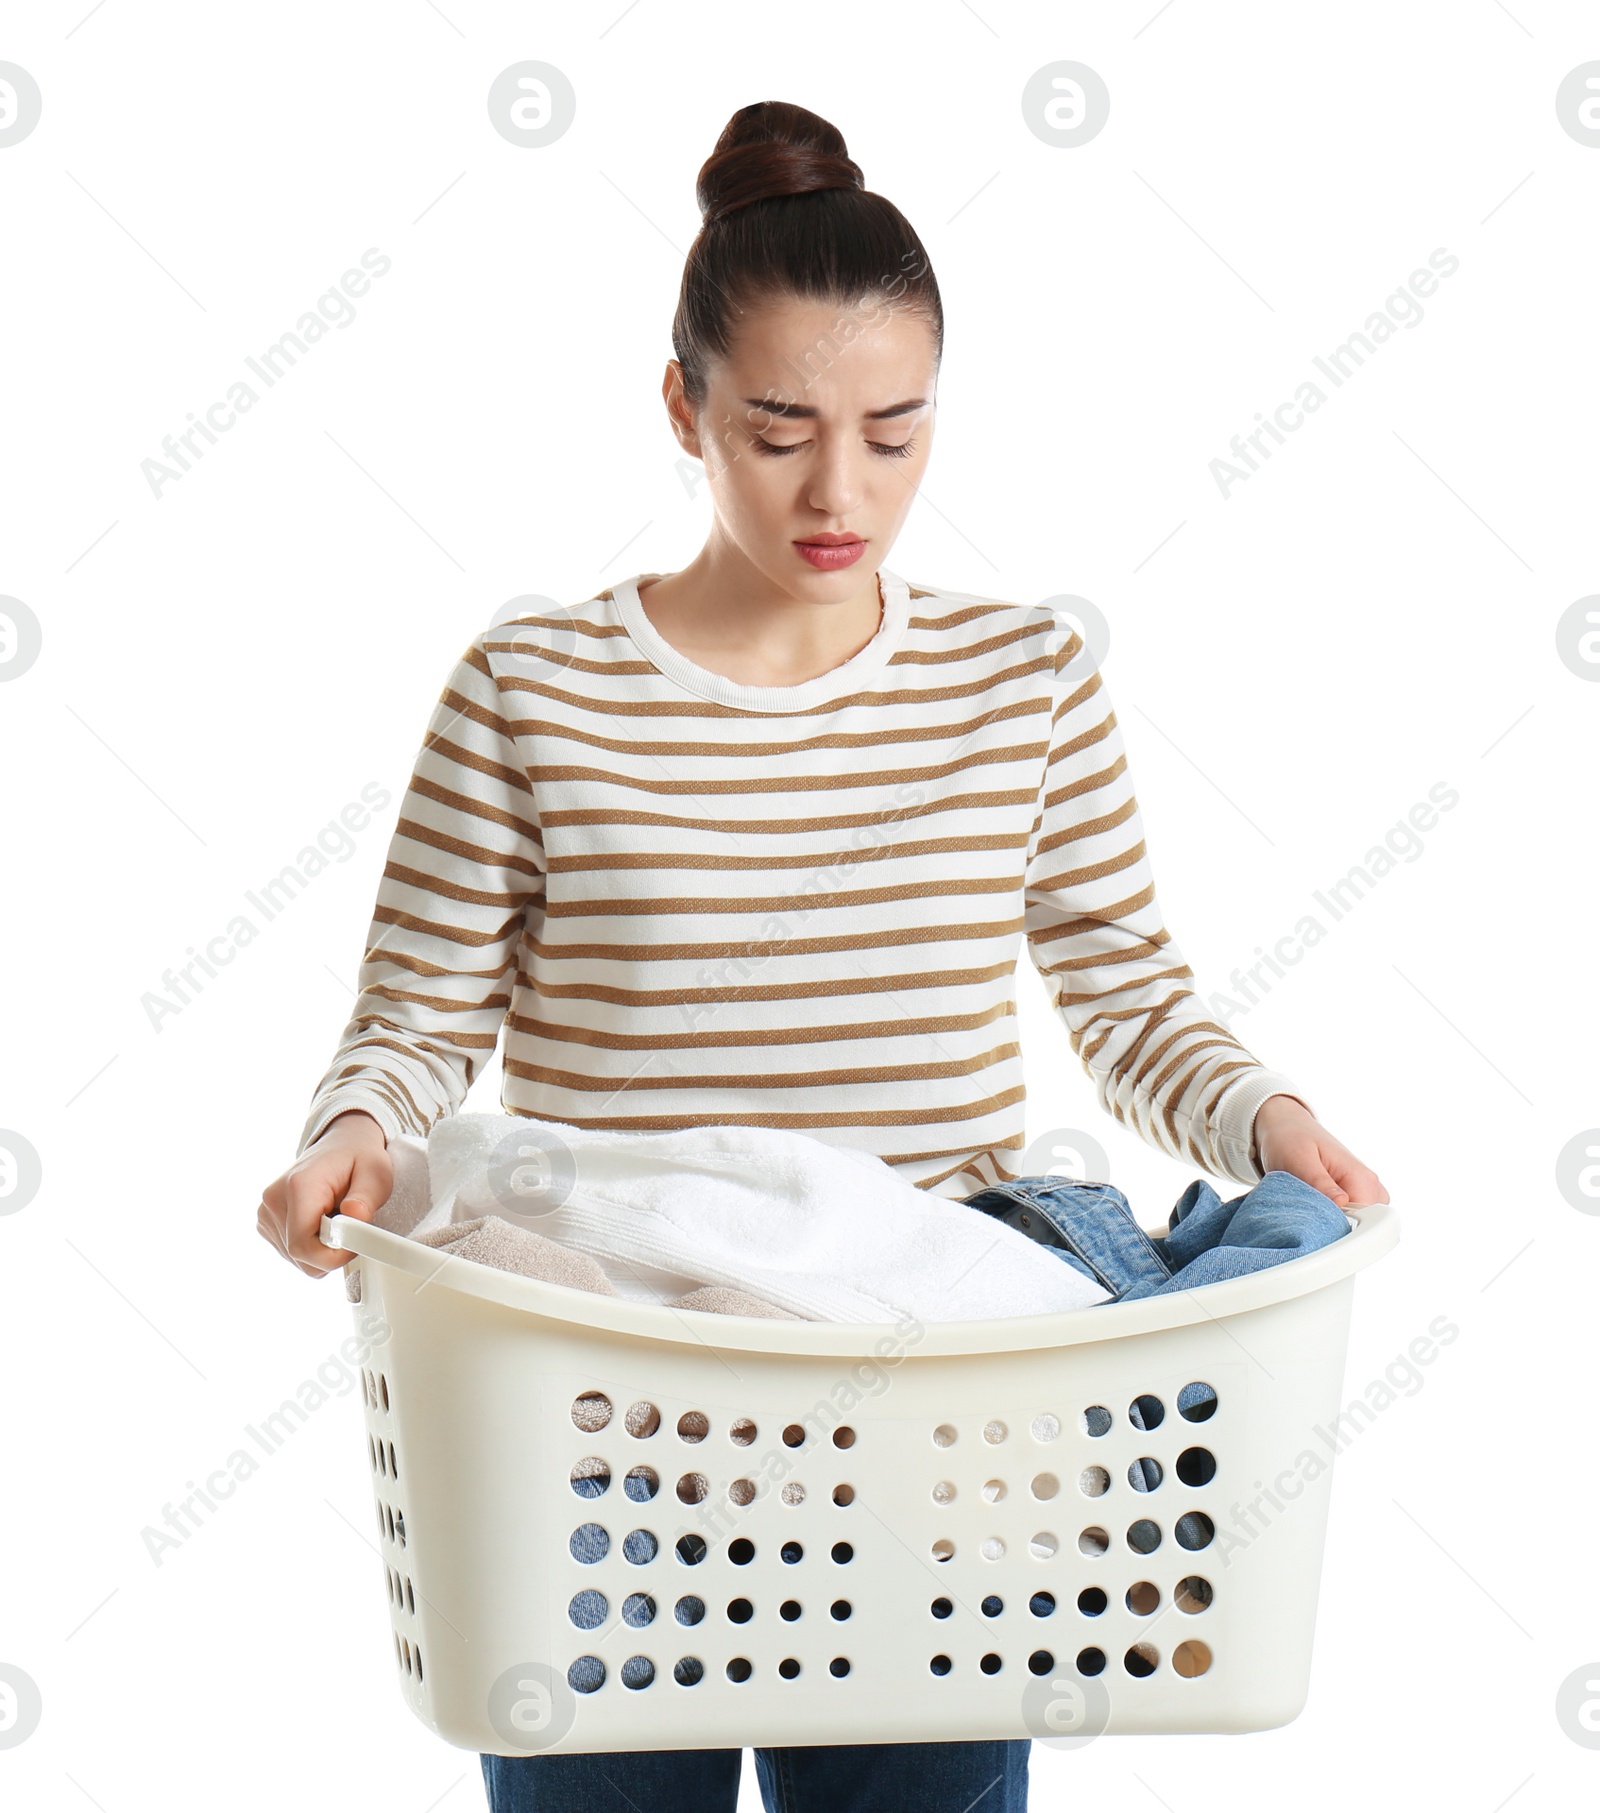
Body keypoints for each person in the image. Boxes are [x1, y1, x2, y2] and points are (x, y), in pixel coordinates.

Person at [257, 99, 1387, 1813]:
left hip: (932, 1390)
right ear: (682, 405)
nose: (841, 489)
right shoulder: (533, 687)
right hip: (607, 1390)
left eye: (896, 430)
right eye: (781, 427)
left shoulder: (1025, 682)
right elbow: (417, 1016)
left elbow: (1129, 997)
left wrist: (1265, 1123)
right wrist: (353, 1129)